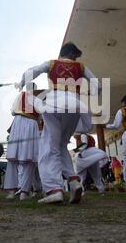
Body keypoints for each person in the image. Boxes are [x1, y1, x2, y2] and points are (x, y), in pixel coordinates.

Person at [16, 42, 100, 204]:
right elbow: (98, 86)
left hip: (54, 105)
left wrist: (21, 83)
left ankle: (54, 189)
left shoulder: (51, 64)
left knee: (49, 148)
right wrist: (87, 92)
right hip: (74, 107)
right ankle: (74, 181)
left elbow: (32, 72)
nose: (75, 59)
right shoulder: (81, 67)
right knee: (60, 146)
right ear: (70, 53)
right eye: (75, 56)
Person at [5, 83, 41, 201]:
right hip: (28, 124)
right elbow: (42, 115)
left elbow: (12, 111)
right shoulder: (38, 99)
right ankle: (22, 192)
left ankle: (16, 191)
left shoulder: (21, 96)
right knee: (24, 159)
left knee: (20, 159)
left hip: (21, 123)